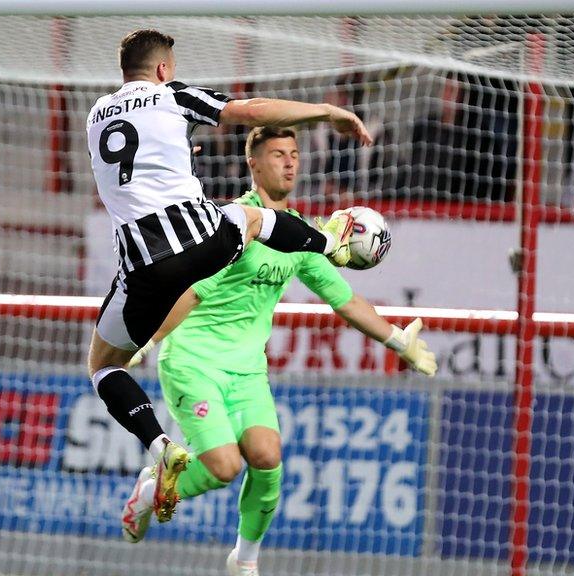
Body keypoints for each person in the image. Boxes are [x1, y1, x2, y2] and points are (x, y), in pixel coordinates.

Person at [85, 29, 372, 525]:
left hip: (141, 267)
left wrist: (179, 155)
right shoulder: (173, 95)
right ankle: (331, 244)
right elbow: (251, 111)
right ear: (162, 69)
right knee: (255, 220)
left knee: (105, 367)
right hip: (197, 241)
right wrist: (326, 111)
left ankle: (159, 446)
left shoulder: (95, 115)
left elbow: (138, 167)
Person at [121, 127, 438, 576]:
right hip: (194, 362)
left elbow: (344, 300)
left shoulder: (302, 237)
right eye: (277, 155)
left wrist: (397, 340)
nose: (289, 163)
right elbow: (190, 292)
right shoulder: (231, 225)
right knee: (224, 467)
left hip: (247, 371)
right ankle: (150, 491)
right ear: (254, 164)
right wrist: (148, 341)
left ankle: (244, 560)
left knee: (268, 458)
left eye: (293, 154)